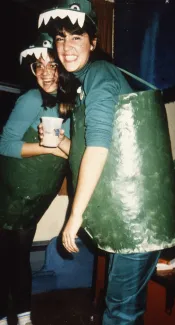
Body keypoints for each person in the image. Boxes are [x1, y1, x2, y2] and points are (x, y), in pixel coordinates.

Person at [38, 2, 175, 324]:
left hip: (137, 218)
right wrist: (60, 142)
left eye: (76, 37)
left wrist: (73, 218)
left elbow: (99, 151)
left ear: (93, 41)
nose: (66, 48)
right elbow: (97, 148)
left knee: (120, 313)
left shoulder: (100, 75)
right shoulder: (87, 83)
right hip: (130, 216)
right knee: (123, 309)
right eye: (61, 38)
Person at [0, 33, 74, 325]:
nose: (45, 72)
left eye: (51, 65)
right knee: (7, 257)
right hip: (11, 192)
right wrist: (51, 146)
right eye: (38, 66)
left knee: (19, 255)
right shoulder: (32, 99)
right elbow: (4, 145)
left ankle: (23, 313)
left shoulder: (73, 102)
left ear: (62, 67)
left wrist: (60, 146)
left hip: (35, 195)